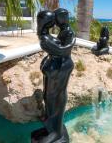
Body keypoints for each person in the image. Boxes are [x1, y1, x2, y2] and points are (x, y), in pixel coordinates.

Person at [32, 9, 75, 143]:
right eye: (54, 19)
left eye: (58, 18)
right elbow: (59, 48)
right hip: (56, 68)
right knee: (48, 96)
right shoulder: (49, 37)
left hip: (62, 68)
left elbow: (63, 50)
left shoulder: (67, 33)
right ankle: (52, 126)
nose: (56, 21)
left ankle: (56, 132)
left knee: (55, 96)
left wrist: (71, 43)